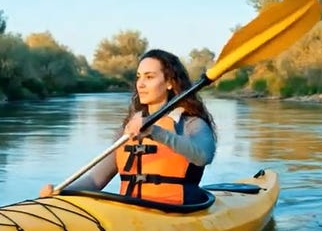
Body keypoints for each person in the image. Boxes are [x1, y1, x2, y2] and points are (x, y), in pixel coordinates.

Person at [39, 48, 217, 205]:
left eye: (149, 77)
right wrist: (61, 192)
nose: (140, 84)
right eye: (138, 77)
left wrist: (155, 132)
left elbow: (203, 156)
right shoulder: (128, 128)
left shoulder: (191, 123)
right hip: (131, 214)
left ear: (170, 82)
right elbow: (95, 181)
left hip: (178, 212)